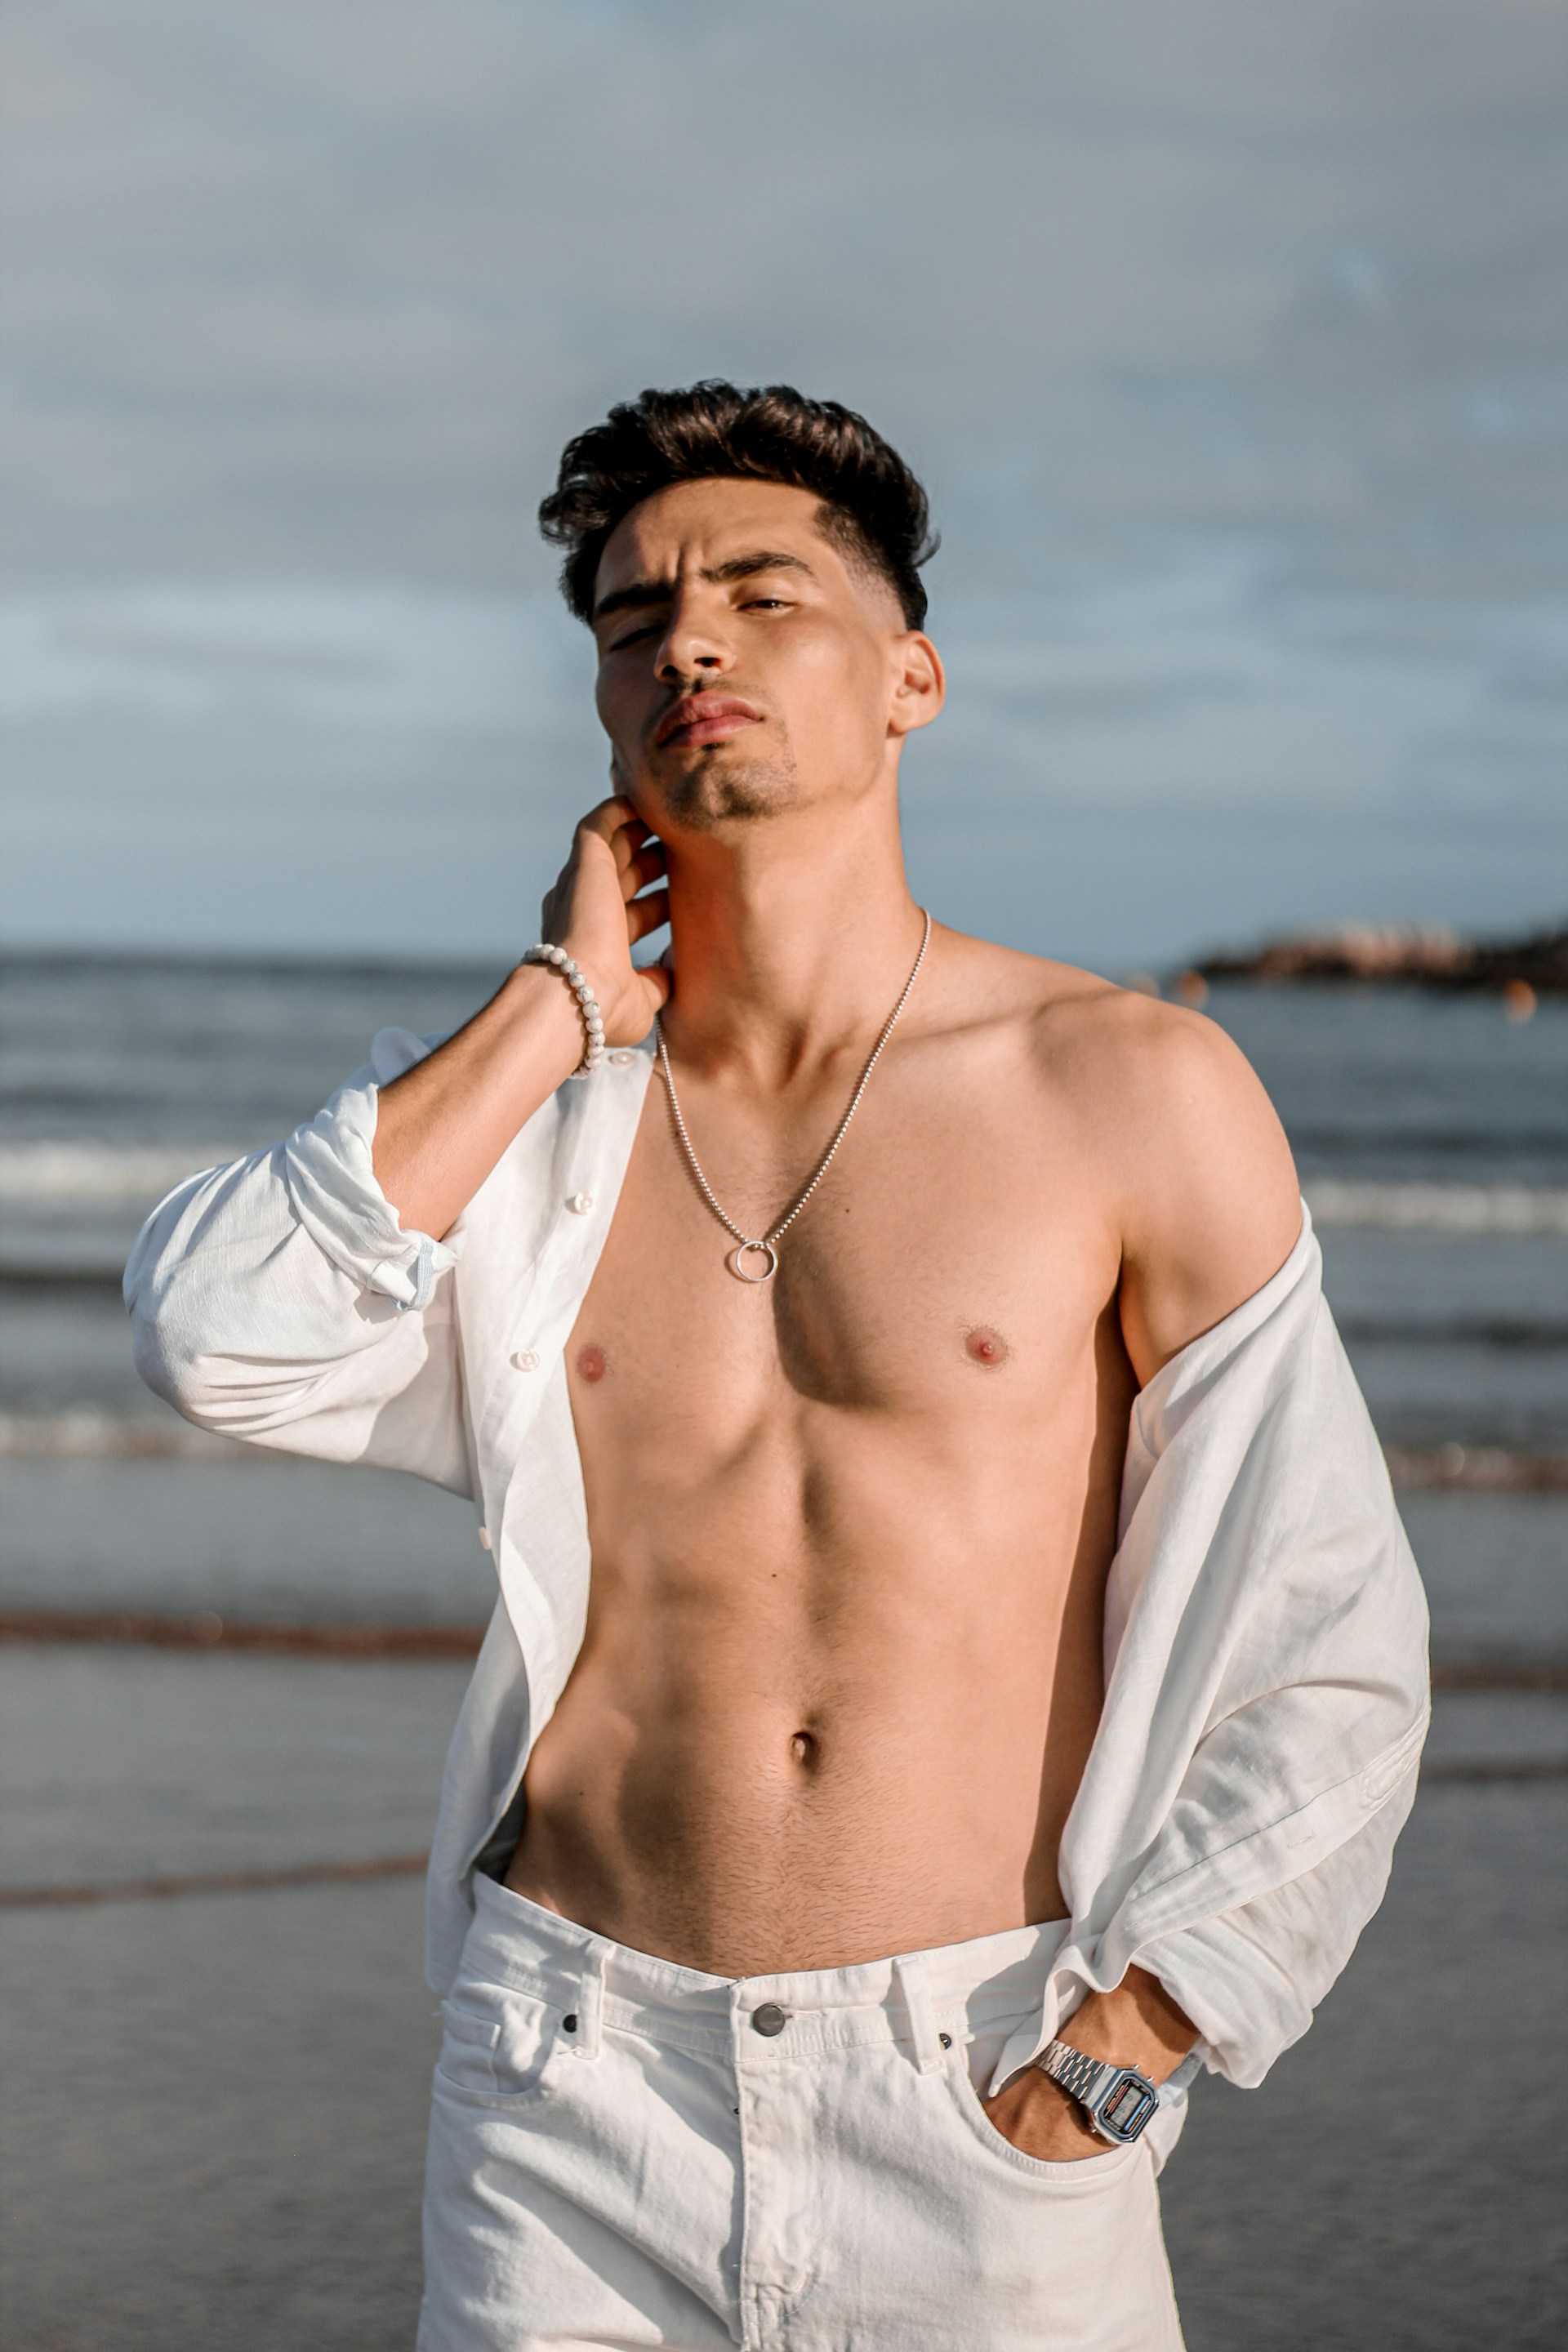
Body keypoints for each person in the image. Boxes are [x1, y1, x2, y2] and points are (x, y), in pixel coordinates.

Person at [126, 382, 1429, 2351]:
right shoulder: (530, 1136)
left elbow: (1329, 1631)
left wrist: (1147, 2031)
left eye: (760, 594)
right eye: (634, 620)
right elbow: (213, 1334)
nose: (690, 645)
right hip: (570, 2096)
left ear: (912, 678)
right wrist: (555, 1005)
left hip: (987, 2089)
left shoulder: (1124, 1089)